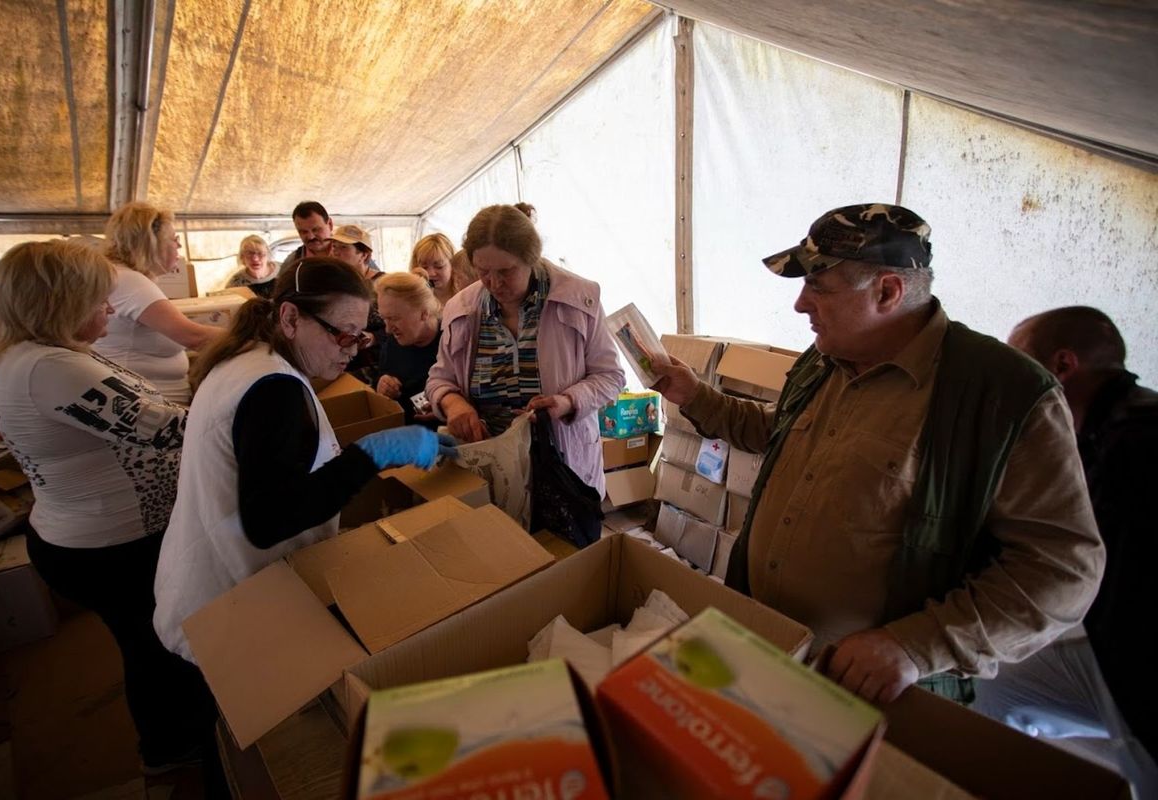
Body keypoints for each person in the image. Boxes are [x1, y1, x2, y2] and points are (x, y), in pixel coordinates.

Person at [651, 203, 1104, 705]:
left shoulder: (1003, 394)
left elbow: (1063, 571)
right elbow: (778, 433)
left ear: (887, 291)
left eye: (818, 287)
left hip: (873, 696)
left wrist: (913, 647)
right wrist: (694, 395)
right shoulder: (828, 359)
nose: (801, 305)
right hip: (768, 649)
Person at [0, 240, 217, 774]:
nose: (110, 310)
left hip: (89, 538)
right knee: (158, 645)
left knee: (148, 641)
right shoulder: (52, 369)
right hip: (111, 548)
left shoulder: (34, 355)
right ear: (59, 303)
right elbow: (171, 430)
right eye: (98, 300)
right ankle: (172, 748)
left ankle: (173, 739)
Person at [153, 257, 453, 661]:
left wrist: (361, 455)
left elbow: (285, 467)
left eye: (360, 337)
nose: (352, 350)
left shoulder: (254, 360)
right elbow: (270, 520)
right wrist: (373, 453)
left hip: (211, 587)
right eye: (342, 335)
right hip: (230, 602)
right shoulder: (274, 389)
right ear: (291, 318)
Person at [1000, 307, 1157, 775]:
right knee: (996, 683)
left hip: (1143, 665)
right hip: (1113, 646)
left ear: (1062, 366)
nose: (1010, 391)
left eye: (1019, 368)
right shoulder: (1093, 433)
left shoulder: (1138, 442)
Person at [426, 204, 625, 498]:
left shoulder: (579, 301)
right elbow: (439, 380)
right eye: (483, 271)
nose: (494, 283)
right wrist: (454, 404)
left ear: (531, 259)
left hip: (562, 470)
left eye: (506, 271)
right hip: (488, 470)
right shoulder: (460, 310)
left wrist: (568, 401)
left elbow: (610, 376)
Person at [96, 202, 221, 404]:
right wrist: (255, 336)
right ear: (150, 244)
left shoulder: (123, 275)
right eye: (173, 239)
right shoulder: (131, 282)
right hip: (151, 409)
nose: (179, 245)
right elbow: (195, 337)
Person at [374, 272, 442, 426]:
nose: (388, 330)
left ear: (424, 313)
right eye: (384, 319)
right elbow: (383, 375)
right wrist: (383, 384)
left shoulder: (453, 341)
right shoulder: (393, 341)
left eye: (394, 318)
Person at [330, 224, 386, 383]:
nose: (335, 252)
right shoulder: (333, 286)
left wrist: (374, 337)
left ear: (364, 255)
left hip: (378, 368)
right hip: (343, 366)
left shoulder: (383, 285)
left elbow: (401, 327)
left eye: (343, 247)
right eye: (334, 246)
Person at [409, 232, 473, 307]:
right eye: (424, 267)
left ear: (452, 264)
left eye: (439, 266)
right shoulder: (412, 299)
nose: (430, 273)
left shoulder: (467, 295)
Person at [278, 200, 334, 273]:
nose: (311, 237)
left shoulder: (350, 253)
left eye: (316, 230)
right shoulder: (292, 262)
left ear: (330, 224)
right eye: (303, 232)